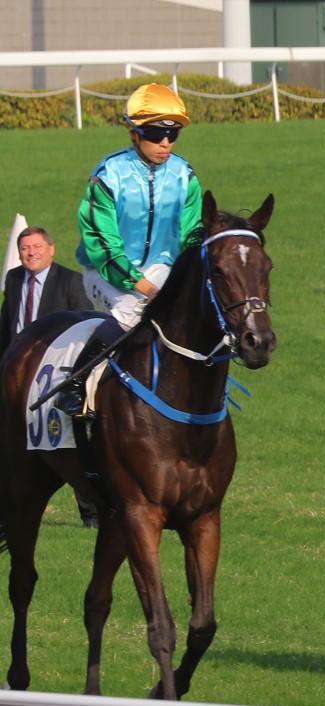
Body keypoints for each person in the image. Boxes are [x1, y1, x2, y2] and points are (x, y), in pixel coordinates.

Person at [56, 82, 202, 419]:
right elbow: (103, 246)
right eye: (155, 133)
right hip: (104, 271)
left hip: (161, 266)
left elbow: (192, 234)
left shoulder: (185, 176)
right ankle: (75, 382)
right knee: (131, 310)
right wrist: (144, 287)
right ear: (134, 133)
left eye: (173, 134)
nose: (165, 143)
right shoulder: (108, 176)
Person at [0, 226, 99, 526]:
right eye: (25, 248)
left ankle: (91, 513)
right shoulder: (14, 279)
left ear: (51, 249)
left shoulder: (71, 281)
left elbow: (87, 327)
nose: (31, 253)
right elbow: (7, 322)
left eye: (37, 247)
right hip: (17, 372)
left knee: (65, 437)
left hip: (55, 371)